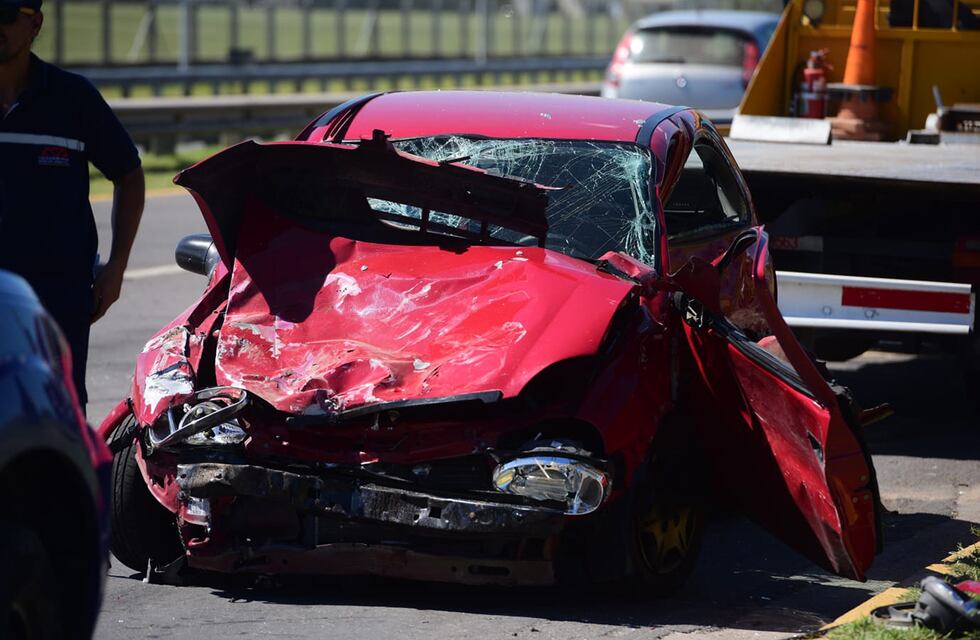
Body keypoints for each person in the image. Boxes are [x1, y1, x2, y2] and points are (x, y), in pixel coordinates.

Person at [0, 0, 144, 412]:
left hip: (57, 299)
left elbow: (130, 176)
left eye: (5, 13)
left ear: (35, 24)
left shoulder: (72, 98)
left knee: (57, 419)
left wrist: (115, 269)